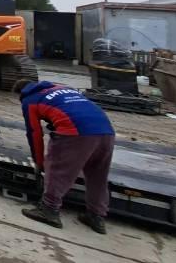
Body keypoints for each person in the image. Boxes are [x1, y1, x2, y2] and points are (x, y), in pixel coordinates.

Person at [15, 79, 115, 233]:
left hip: (76, 131)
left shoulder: (30, 100)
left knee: (57, 168)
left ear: (21, 93)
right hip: (106, 131)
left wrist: (39, 161)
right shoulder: (63, 88)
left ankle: (49, 210)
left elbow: (34, 133)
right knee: (98, 176)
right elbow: (74, 108)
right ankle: (96, 216)